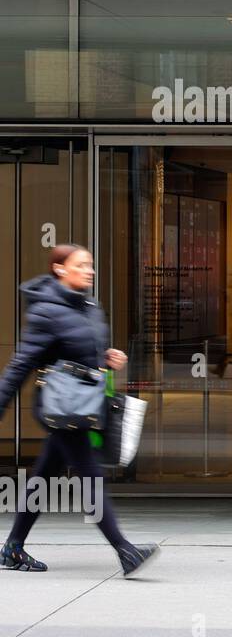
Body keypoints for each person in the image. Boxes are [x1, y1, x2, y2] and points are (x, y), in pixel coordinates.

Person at [0, 244, 161, 576]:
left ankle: (13, 548)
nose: (90, 271)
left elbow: (84, 354)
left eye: (91, 265)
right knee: (91, 476)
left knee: (43, 478)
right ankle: (125, 550)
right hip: (62, 408)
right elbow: (21, 365)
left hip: (83, 403)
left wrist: (107, 358)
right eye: (82, 265)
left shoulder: (90, 305)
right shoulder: (44, 312)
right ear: (60, 269)